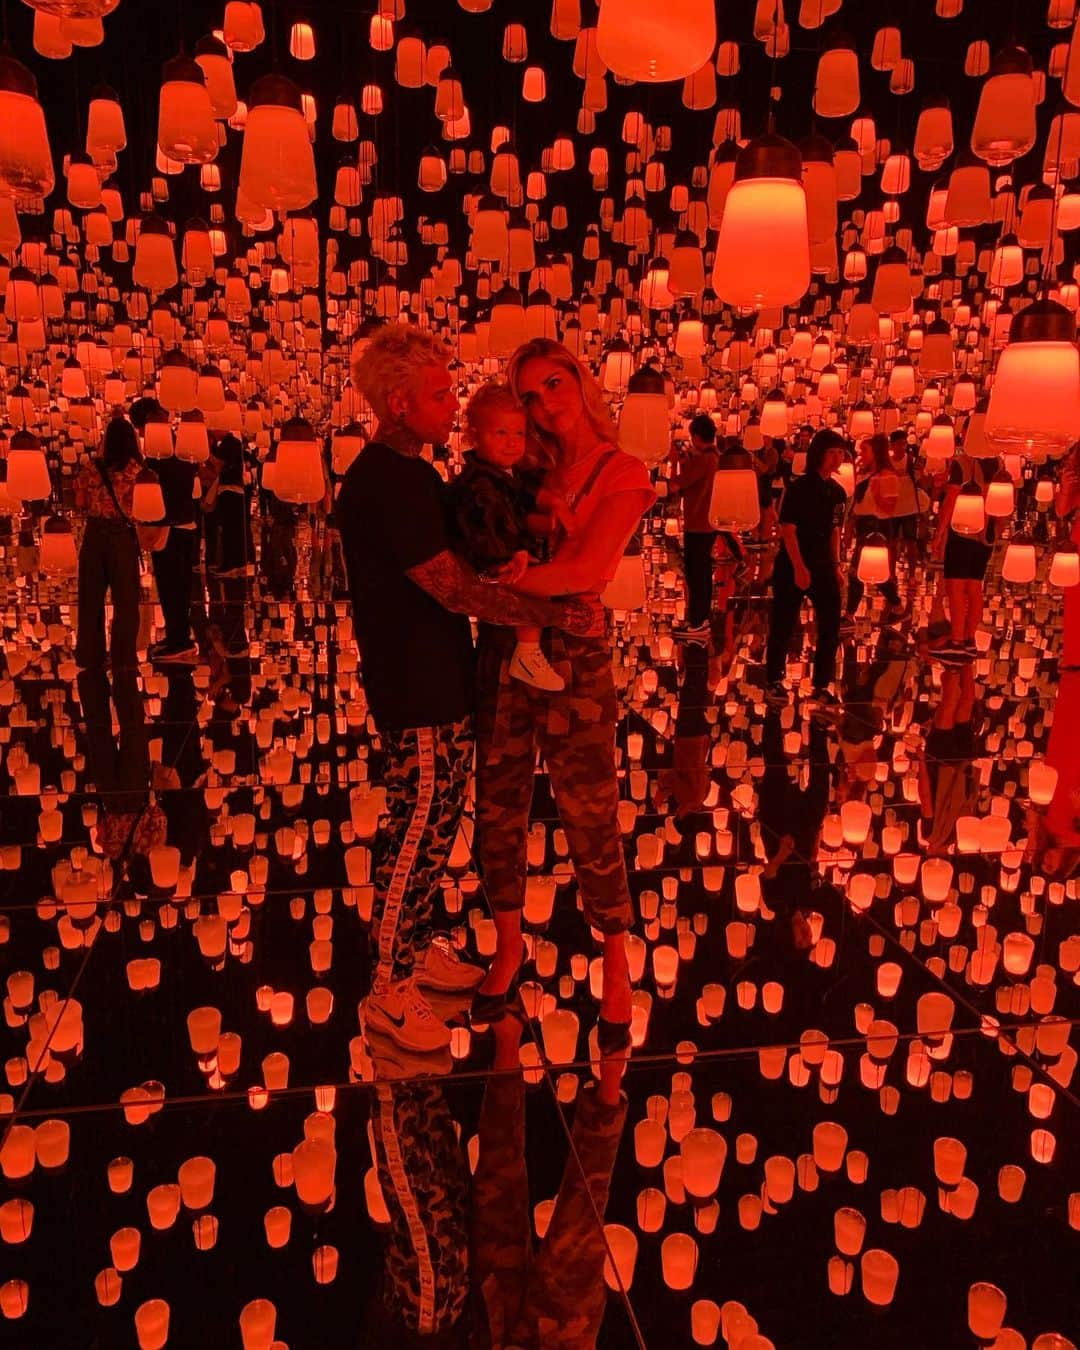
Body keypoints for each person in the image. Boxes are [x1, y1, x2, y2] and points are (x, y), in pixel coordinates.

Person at [337, 324, 601, 1053]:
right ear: (398, 403)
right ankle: (387, 989)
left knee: (437, 816)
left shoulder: (414, 473)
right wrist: (546, 613)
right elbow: (451, 587)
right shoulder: (386, 481)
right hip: (413, 681)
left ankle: (415, 950)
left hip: (437, 677)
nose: (452, 406)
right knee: (418, 822)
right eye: (440, 393)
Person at [471, 337, 655, 1053]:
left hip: (574, 662)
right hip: (504, 655)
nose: (545, 403)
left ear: (578, 381)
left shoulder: (623, 471)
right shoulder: (523, 465)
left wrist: (487, 584)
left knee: (589, 808)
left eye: (553, 384)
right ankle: (509, 946)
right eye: (529, 395)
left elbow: (587, 568)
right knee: (499, 799)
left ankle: (616, 959)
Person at [447, 381, 574, 692]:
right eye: (500, 433)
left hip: (505, 550)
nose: (511, 443)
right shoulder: (480, 484)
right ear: (475, 435)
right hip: (493, 558)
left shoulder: (506, 474)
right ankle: (528, 652)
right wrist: (516, 551)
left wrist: (552, 504)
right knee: (535, 585)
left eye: (518, 433)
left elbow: (525, 494)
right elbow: (493, 526)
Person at [764, 428, 847, 712]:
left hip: (823, 563)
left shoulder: (837, 492)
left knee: (830, 625)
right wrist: (799, 566)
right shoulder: (800, 488)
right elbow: (789, 530)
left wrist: (836, 566)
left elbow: (836, 530)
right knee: (784, 623)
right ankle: (774, 678)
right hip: (794, 562)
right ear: (819, 454)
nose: (837, 458)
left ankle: (822, 684)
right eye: (832, 452)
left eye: (840, 452)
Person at [74, 414, 157, 672]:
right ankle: (123, 656)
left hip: (95, 535)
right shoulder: (138, 472)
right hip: (122, 536)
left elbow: (79, 503)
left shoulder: (91, 468)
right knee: (126, 600)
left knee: (91, 598)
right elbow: (144, 510)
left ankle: (90, 655)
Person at [931, 441, 1000, 661]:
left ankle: (957, 642)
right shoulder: (997, 464)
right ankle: (968, 639)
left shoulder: (963, 464)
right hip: (985, 533)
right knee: (974, 588)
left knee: (956, 588)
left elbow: (951, 500)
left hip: (962, 531)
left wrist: (940, 533)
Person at [668, 413, 721, 640]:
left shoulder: (703, 460)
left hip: (697, 523)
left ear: (696, 437)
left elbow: (674, 486)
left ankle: (698, 622)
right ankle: (702, 620)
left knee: (696, 575)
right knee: (703, 575)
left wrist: (673, 463)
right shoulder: (715, 457)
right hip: (709, 523)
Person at [845, 433, 902, 625]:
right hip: (863, 525)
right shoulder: (866, 473)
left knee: (861, 571)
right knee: (864, 571)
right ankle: (896, 607)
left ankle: (850, 615)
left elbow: (890, 508)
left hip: (877, 527)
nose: (861, 453)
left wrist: (878, 493)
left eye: (865, 449)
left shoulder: (887, 476)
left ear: (876, 452)